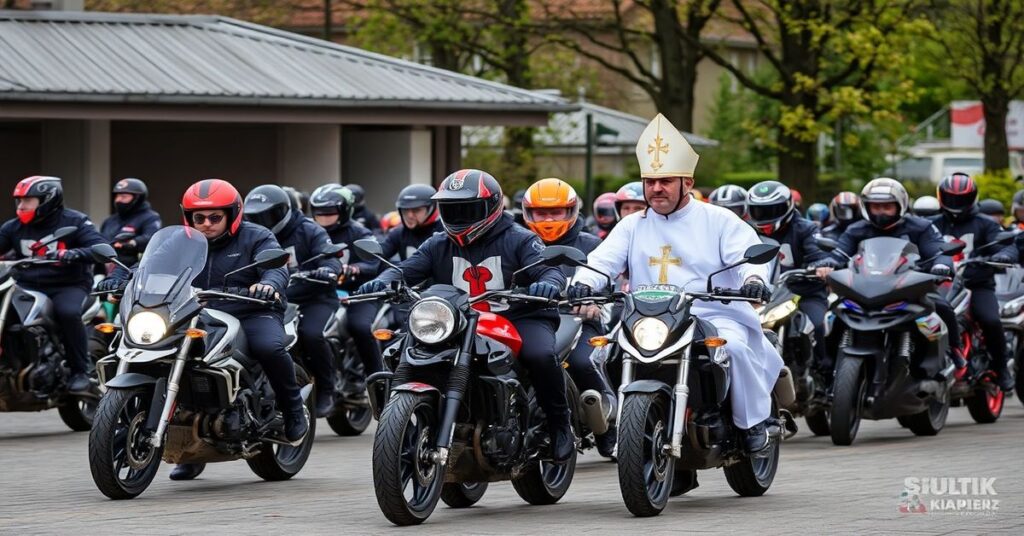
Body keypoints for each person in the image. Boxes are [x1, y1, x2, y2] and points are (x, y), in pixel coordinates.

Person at [568, 114, 783, 457]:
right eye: (650, 181)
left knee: (737, 349)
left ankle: (752, 423)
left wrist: (754, 280)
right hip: (647, 318)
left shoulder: (718, 219)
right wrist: (583, 283)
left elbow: (747, 255)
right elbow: (601, 262)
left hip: (713, 312)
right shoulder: (631, 225)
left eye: (666, 180)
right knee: (602, 351)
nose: (656, 189)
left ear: (688, 181)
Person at [355, 169, 574, 463]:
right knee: (401, 348)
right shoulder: (437, 243)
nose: (459, 215)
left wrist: (548, 283)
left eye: (468, 208)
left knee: (540, 355)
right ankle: (405, 425)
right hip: (455, 321)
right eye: (452, 208)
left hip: (520, 316)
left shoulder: (521, 239)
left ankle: (560, 427)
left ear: (492, 206)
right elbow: (405, 269)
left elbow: (548, 269)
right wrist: (383, 280)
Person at [100, 179, 308, 481]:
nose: (207, 224)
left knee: (268, 348)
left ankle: (292, 411)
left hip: (251, 310)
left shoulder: (257, 237)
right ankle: (189, 450)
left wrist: (269, 284)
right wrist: (119, 277)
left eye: (215, 217)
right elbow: (146, 263)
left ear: (232, 215)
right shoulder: (180, 240)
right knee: (166, 356)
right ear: (189, 218)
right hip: (194, 311)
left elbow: (277, 267)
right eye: (199, 218)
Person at [813, 178, 963, 377]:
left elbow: (937, 249)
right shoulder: (856, 229)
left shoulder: (920, 227)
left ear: (900, 205)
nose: (881, 212)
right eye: (876, 207)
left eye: (887, 207)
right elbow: (839, 253)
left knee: (942, 307)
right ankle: (824, 364)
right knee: (833, 311)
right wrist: (827, 264)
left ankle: (954, 349)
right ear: (866, 207)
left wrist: (942, 265)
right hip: (863, 288)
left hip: (909, 287)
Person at [522, 177, 617, 457]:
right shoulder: (523, 242)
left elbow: (606, 280)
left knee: (581, 362)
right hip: (534, 319)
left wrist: (593, 302)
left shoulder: (591, 244)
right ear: (528, 213)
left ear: (572, 211)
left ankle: (606, 426)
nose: (548, 219)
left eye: (556, 212)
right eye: (541, 212)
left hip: (580, 321)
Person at [243, 184, 343, 417]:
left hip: (314, 297)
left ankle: (327, 390)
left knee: (311, 334)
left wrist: (328, 269)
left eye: (267, 215)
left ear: (283, 211)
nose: (262, 221)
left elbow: (330, 256)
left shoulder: (309, 229)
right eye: (255, 216)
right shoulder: (253, 235)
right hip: (273, 301)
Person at [0, 176, 105, 394]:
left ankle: (80, 371)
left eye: (28, 200)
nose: (21, 206)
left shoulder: (75, 221)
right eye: (19, 201)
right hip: (27, 285)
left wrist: (74, 253)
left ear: (47, 199)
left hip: (68, 285)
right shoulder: (13, 227)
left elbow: (100, 247)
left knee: (67, 312)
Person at [929, 173, 1016, 391]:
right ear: (941, 197)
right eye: (950, 198)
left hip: (975, 285)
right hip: (937, 285)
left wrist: (1003, 255)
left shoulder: (985, 224)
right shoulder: (930, 224)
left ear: (973, 197)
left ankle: (1001, 368)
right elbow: (910, 244)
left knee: (991, 320)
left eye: (961, 199)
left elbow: (1006, 245)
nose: (955, 204)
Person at [747, 181, 831, 383]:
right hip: (763, 294)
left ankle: (825, 376)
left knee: (817, 324)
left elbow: (819, 253)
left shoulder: (806, 229)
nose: (764, 216)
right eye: (759, 211)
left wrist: (819, 266)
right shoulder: (747, 231)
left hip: (803, 291)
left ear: (787, 207)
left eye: (771, 210)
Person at [309, 184, 382, 377]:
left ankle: (376, 376)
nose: (323, 219)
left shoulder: (360, 233)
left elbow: (374, 263)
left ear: (345, 211)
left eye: (329, 213)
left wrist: (355, 268)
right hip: (321, 293)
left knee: (359, 326)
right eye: (318, 213)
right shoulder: (311, 232)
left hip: (358, 294)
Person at [99, 178, 162, 269]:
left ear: (137, 198)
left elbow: (152, 238)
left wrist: (131, 243)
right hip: (106, 269)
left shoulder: (150, 217)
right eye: (117, 196)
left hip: (133, 271)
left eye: (123, 197)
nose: (118, 200)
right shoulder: (109, 220)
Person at [380, 184, 443, 262]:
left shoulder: (445, 233)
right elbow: (378, 256)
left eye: (416, 210)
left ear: (431, 209)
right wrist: (362, 267)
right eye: (405, 210)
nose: (410, 215)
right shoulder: (399, 233)